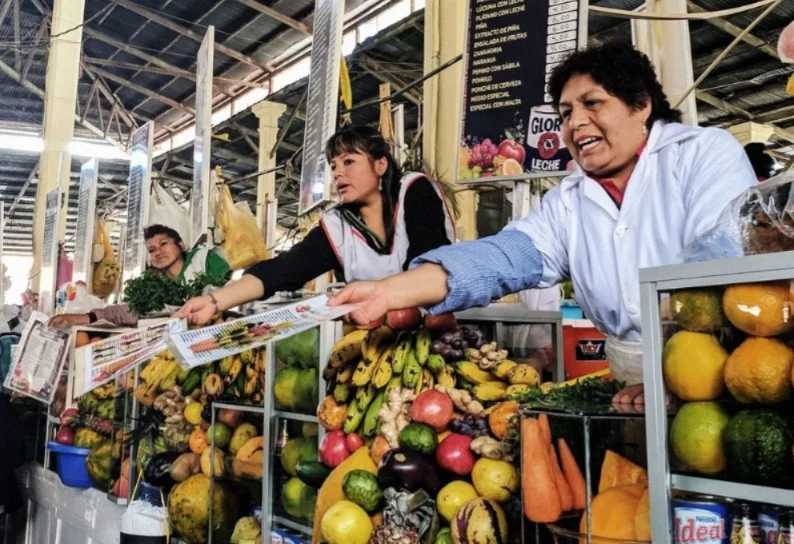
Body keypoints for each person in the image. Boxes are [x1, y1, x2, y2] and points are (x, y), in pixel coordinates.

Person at [327, 44, 757, 406]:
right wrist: (388, 290)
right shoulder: (568, 199)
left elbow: (718, 265)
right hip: (630, 390)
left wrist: (677, 377)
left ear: (641, 105)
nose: (575, 123)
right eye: (566, 112)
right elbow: (504, 258)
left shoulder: (701, 155)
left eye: (593, 103)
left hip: (722, 374)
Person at [175, 125, 455, 325]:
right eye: (333, 166)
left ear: (380, 165)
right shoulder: (338, 225)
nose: (338, 173)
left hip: (434, 328)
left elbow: (429, 263)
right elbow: (283, 270)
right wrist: (215, 301)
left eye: (349, 161)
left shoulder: (415, 191)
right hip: (371, 336)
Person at [49, 224, 230, 328]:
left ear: (181, 245)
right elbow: (125, 312)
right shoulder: (154, 286)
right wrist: (77, 318)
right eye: (152, 250)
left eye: (164, 244)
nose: (157, 252)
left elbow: (229, 292)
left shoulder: (204, 258)